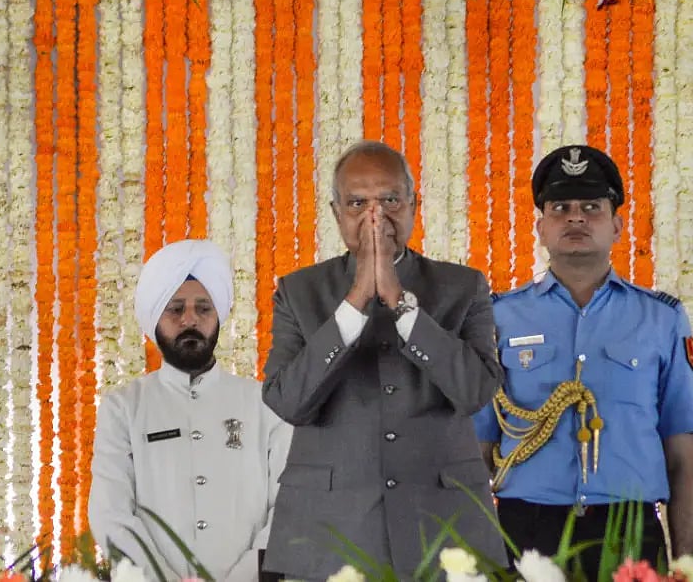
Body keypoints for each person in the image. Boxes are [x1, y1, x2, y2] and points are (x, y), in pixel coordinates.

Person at [259, 140, 507, 581]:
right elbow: (287, 400)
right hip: (328, 533)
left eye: (389, 199)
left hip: (445, 528)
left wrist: (399, 301)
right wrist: (355, 302)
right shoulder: (298, 292)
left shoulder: (463, 286)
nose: (375, 217)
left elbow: (476, 391)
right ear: (336, 214)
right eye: (357, 202)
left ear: (414, 205)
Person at [474, 144, 693, 574]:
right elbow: (478, 449)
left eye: (591, 206)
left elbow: (684, 454)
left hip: (629, 529)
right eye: (561, 207)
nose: (576, 217)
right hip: (526, 530)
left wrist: (686, 560)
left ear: (617, 225)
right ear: (540, 227)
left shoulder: (663, 319)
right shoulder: (497, 317)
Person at [88, 238, 294, 582]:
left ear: (217, 317)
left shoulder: (264, 404)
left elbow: (289, 507)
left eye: (203, 308)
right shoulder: (123, 407)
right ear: (155, 319)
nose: (190, 319)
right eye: (175, 308)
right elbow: (111, 515)